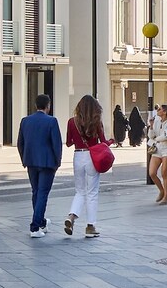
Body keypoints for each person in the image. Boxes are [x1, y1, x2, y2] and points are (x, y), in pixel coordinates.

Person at [16, 92, 63, 236]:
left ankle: (41, 221)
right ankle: (35, 226)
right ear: (48, 106)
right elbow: (57, 144)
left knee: (36, 192)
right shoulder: (52, 121)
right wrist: (57, 161)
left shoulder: (25, 121)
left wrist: (24, 159)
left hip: (31, 161)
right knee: (43, 193)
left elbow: (20, 143)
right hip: (47, 163)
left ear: (35, 105)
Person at [63, 94, 107, 238]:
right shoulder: (96, 121)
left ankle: (71, 217)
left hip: (78, 155)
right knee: (92, 192)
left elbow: (68, 142)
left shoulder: (72, 122)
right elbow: (103, 141)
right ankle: (90, 226)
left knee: (80, 191)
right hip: (92, 156)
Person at [147, 103, 167, 204]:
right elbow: (151, 136)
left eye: (159, 109)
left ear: (165, 112)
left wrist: (156, 138)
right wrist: (151, 126)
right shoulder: (156, 121)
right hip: (157, 148)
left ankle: (166, 197)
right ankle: (161, 190)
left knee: (164, 173)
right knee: (152, 173)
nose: (158, 111)